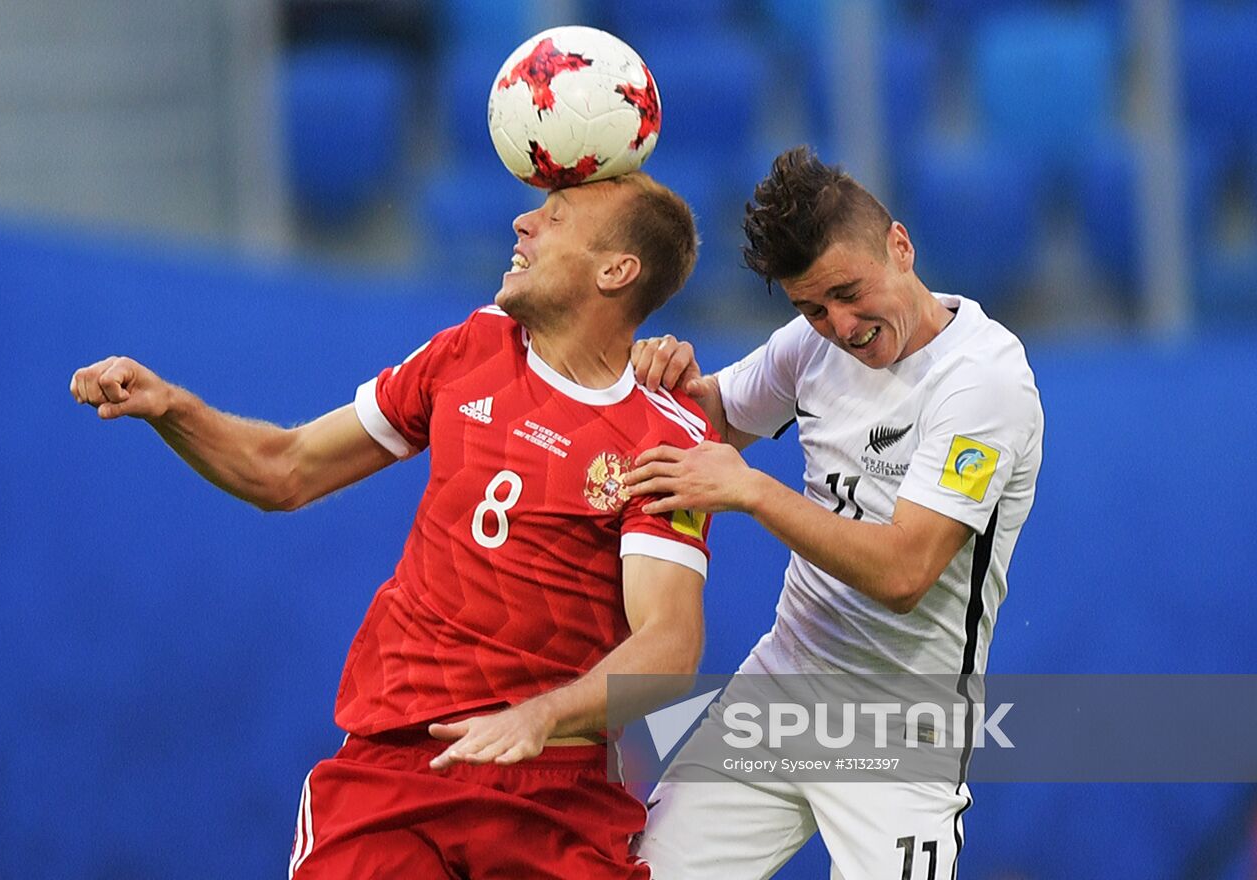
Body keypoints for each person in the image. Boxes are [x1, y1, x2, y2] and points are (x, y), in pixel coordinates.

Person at [69, 172, 715, 879]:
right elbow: (286, 470)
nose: (522, 224)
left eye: (554, 217)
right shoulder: (471, 348)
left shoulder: (665, 438)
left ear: (616, 270)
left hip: (554, 793)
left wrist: (538, 717)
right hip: (396, 772)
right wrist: (172, 408)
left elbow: (670, 644)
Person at [624, 146, 1044, 879]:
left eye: (849, 292)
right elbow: (715, 420)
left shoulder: (983, 382)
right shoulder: (809, 347)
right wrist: (674, 379)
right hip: (781, 690)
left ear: (901, 246)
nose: (841, 326)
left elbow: (907, 570)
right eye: (812, 307)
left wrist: (753, 490)